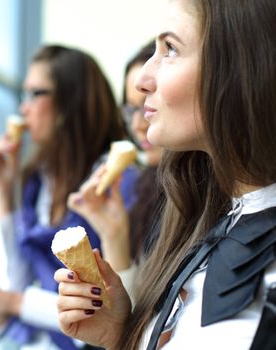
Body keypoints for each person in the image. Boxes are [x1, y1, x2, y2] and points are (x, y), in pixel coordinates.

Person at [54, 0, 276, 349]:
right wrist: (119, 335)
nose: (143, 79)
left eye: (170, 49)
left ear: (241, 66)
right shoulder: (208, 216)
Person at [0, 44, 137, 349]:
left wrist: (14, 303)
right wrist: (3, 192)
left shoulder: (114, 185)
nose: (23, 108)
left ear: (71, 102)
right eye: (24, 94)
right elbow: (15, 283)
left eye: (35, 94)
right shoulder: (38, 179)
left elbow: (104, 310)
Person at [67, 41, 161, 300]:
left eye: (147, 106)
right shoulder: (147, 187)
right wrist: (114, 235)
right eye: (131, 109)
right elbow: (130, 315)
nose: (137, 125)